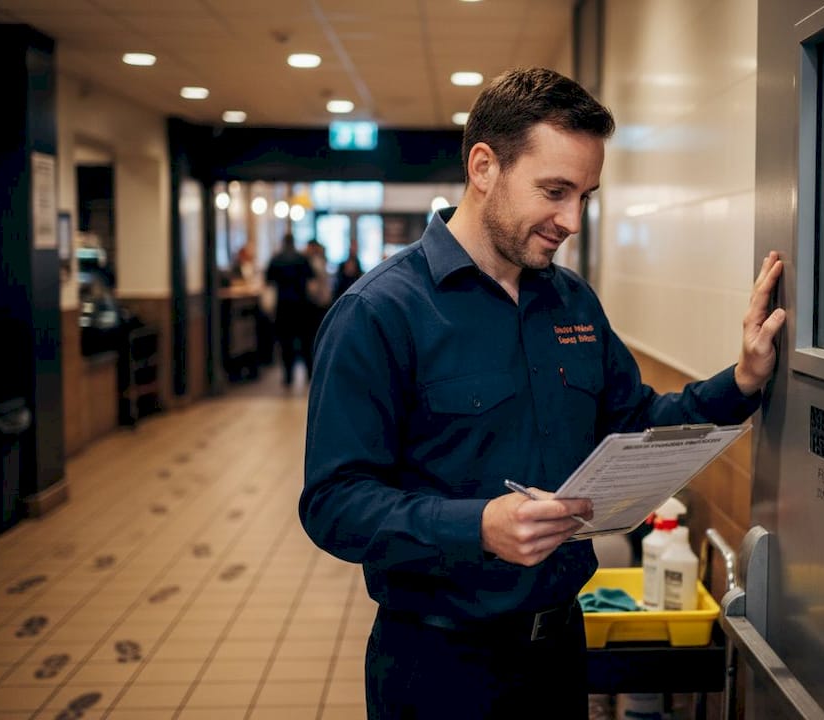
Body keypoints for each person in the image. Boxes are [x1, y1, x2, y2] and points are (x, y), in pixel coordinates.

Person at [299, 67, 786, 719]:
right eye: (555, 191)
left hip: (560, 651)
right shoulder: (380, 312)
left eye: (585, 196)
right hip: (437, 667)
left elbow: (637, 424)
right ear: (484, 167)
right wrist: (477, 527)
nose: (572, 220)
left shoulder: (572, 302)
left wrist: (744, 379)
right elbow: (333, 503)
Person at [264, 232, 316, 387]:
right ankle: (309, 374)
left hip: (283, 305)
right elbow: (311, 278)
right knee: (305, 341)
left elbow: (268, 280)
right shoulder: (302, 258)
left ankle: (288, 377)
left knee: (286, 342)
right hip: (302, 305)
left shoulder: (276, 259)